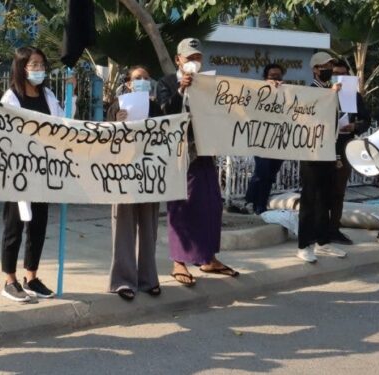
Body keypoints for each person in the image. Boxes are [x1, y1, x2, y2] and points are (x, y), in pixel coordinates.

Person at [157, 37, 239, 285]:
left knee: (211, 203)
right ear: (178, 60)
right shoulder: (167, 83)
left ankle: (207, 257)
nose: (194, 62)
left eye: (197, 58)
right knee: (181, 206)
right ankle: (179, 262)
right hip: (180, 154)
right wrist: (181, 89)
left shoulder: (209, 83)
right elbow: (162, 112)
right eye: (189, 58)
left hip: (205, 151)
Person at [0, 46, 75, 302]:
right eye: (33, 65)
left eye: (42, 64)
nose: (39, 69)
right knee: (14, 227)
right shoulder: (11, 97)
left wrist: (72, 93)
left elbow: (64, 124)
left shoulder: (48, 94)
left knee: (38, 226)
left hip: (43, 172)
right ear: (21, 68)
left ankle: (31, 277)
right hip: (19, 173)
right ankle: (10, 280)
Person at [106, 65, 164, 300]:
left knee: (149, 228)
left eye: (146, 78)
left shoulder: (156, 108)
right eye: (138, 78)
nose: (142, 81)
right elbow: (105, 140)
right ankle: (123, 281)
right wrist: (116, 122)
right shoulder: (116, 107)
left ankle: (149, 280)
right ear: (128, 83)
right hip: (124, 176)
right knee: (123, 228)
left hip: (149, 174)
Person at [295, 51, 347, 263]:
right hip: (311, 152)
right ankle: (304, 244)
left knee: (326, 197)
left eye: (331, 66)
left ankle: (322, 241)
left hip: (328, 151)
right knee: (310, 198)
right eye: (324, 66)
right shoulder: (311, 91)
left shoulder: (330, 91)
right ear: (315, 69)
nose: (329, 70)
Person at [329, 60, 371, 245]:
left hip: (344, 147)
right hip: (322, 148)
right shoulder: (320, 93)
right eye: (335, 73)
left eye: (343, 74)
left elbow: (366, 120)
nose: (339, 77)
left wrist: (355, 126)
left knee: (338, 191)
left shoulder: (353, 96)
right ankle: (318, 227)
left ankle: (334, 228)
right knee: (320, 191)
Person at [243, 63, 286, 215]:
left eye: (278, 77)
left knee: (270, 174)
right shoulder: (257, 93)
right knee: (263, 171)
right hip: (261, 139)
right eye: (272, 77)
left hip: (279, 140)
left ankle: (252, 201)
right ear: (265, 78)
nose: (275, 80)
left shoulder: (287, 94)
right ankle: (258, 204)